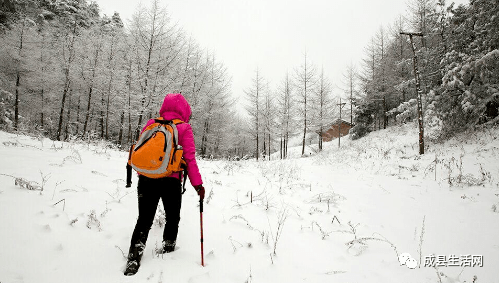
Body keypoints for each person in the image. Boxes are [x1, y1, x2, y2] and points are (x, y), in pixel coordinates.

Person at [124, 93, 205, 276]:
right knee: (172, 217)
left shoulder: (151, 123)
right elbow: (190, 159)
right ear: (184, 110)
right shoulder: (184, 128)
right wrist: (198, 186)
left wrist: (142, 174)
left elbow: (142, 150)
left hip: (146, 178)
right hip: (171, 180)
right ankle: (168, 250)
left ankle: (133, 258)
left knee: (144, 219)